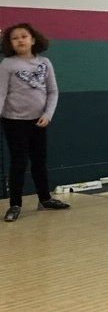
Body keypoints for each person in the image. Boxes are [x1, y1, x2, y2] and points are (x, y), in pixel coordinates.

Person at [0, 23, 70, 222]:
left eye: (24, 36)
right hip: (14, 122)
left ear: (33, 39)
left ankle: (45, 198)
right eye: (15, 38)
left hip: (38, 121)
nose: (20, 40)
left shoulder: (45, 63)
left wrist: (48, 114)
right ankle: (15, 204)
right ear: (10, 43)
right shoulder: (7, 64)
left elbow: (53, 91)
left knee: (39, 160)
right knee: (19, 162)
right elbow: (1, 93)